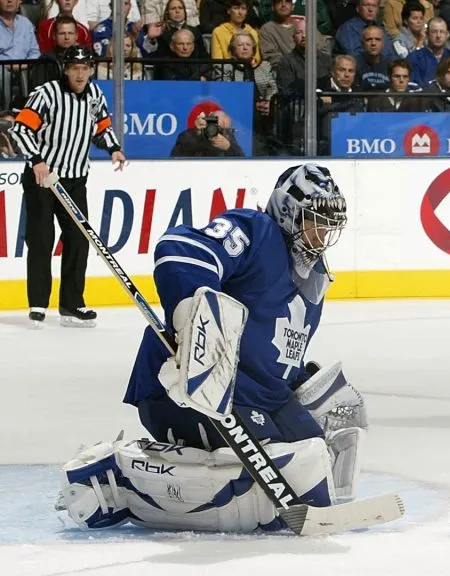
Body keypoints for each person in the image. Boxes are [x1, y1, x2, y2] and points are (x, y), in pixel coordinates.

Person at [56, 164, 370, 533]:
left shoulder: (313, 277)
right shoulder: (258, 232)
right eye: (315, 220)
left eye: (330, 224)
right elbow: (180, 251)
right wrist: (190, 323)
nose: (323, 233)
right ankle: (116, 479)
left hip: (259, 396)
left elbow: (270, 349)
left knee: (314, 466)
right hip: (191, 385)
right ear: (288, 212)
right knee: (272, 478)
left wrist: (304, 380)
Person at [9, 46, 127, 329]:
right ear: (65, 69)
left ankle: (71, 304)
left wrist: (113, 148)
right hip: (43, 179)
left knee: (78, 239)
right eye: (75, 68)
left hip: (75, 180)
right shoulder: (47, 94)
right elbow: (21, 129)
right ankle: (38, 303)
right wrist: (37, 160)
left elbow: (102, 127)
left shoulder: (94, 94)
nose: (80, 73)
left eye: (85, 68)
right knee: (41, 239)